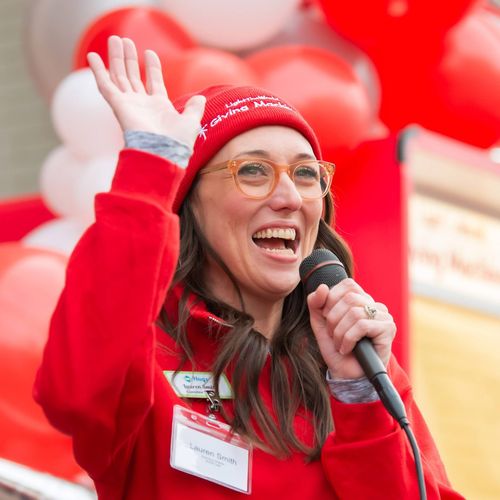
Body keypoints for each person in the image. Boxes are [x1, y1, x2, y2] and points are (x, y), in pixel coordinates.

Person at [34, 36, 463, 499]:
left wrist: (358, 396)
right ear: (191, 204)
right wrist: (151, 168)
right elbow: (74, 396)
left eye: (305, 174)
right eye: (253, 171)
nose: (290, 198)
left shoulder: (357, 363)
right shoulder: (149, 356)